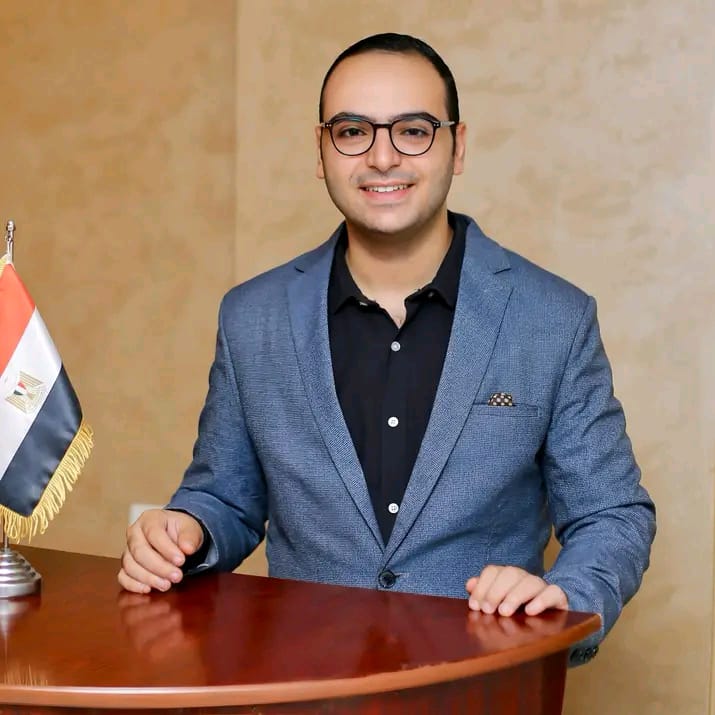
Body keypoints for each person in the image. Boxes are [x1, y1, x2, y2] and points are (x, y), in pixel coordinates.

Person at [118, 33, 655, 665]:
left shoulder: (553, 318)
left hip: (486, 686)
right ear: (321, 150)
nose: (382, 157)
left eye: (413, 131)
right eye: (353, 131)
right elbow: (225, 497)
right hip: (304, 687)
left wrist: (564, 596)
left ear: (457, 146)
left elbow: (612, 513)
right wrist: (187, 529)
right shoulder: (252, 317)